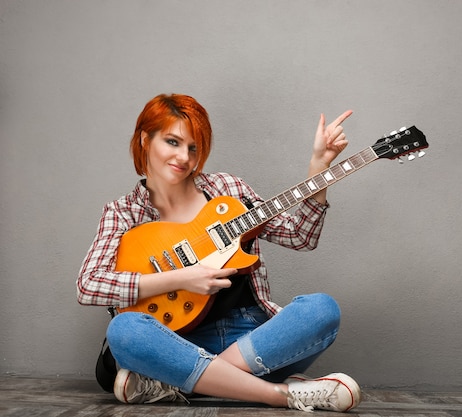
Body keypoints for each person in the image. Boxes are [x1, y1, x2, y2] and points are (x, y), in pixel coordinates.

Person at [76, 93, 361, 412]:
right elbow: (89, 284)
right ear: (145, 139)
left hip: (254, 340)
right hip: (175, 345)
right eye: (172, 142)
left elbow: (300, 236)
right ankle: (279, 394)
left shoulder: (229, 191)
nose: (183, 156)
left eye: (193, 147)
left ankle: (176, 384)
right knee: (124, 331)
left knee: (321, 310)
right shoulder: (123, 212)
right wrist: (183, 278)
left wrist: (319, 167)